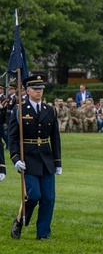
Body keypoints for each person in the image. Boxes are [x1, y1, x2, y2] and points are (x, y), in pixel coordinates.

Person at [8, 74, 62, 240]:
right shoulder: (19, 110)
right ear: (27, 90)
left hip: (46, 158)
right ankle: (19, 220)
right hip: (28, 158)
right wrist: (16, 158)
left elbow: (55, 138)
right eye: (35, 89)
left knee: (48, 198)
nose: (39, 92)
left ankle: (43, 233)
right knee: (33, 196)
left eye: (41, 89)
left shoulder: (50, 110)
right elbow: (13, 138)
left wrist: (58, 161)